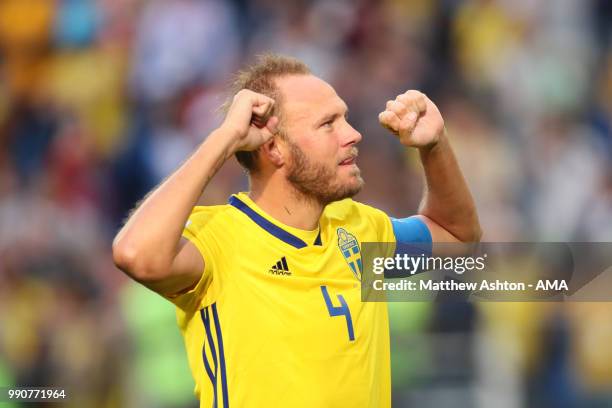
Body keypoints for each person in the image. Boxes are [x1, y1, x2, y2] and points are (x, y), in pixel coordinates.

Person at [112, 54, 481, 408]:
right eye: (328, 124)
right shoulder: (218, 240)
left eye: (345, 119)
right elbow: (135, 254)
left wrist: (434, 146)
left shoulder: (357, 229)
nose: (353, 135)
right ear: (274, 149)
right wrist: (224, 139)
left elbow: (455, 233)